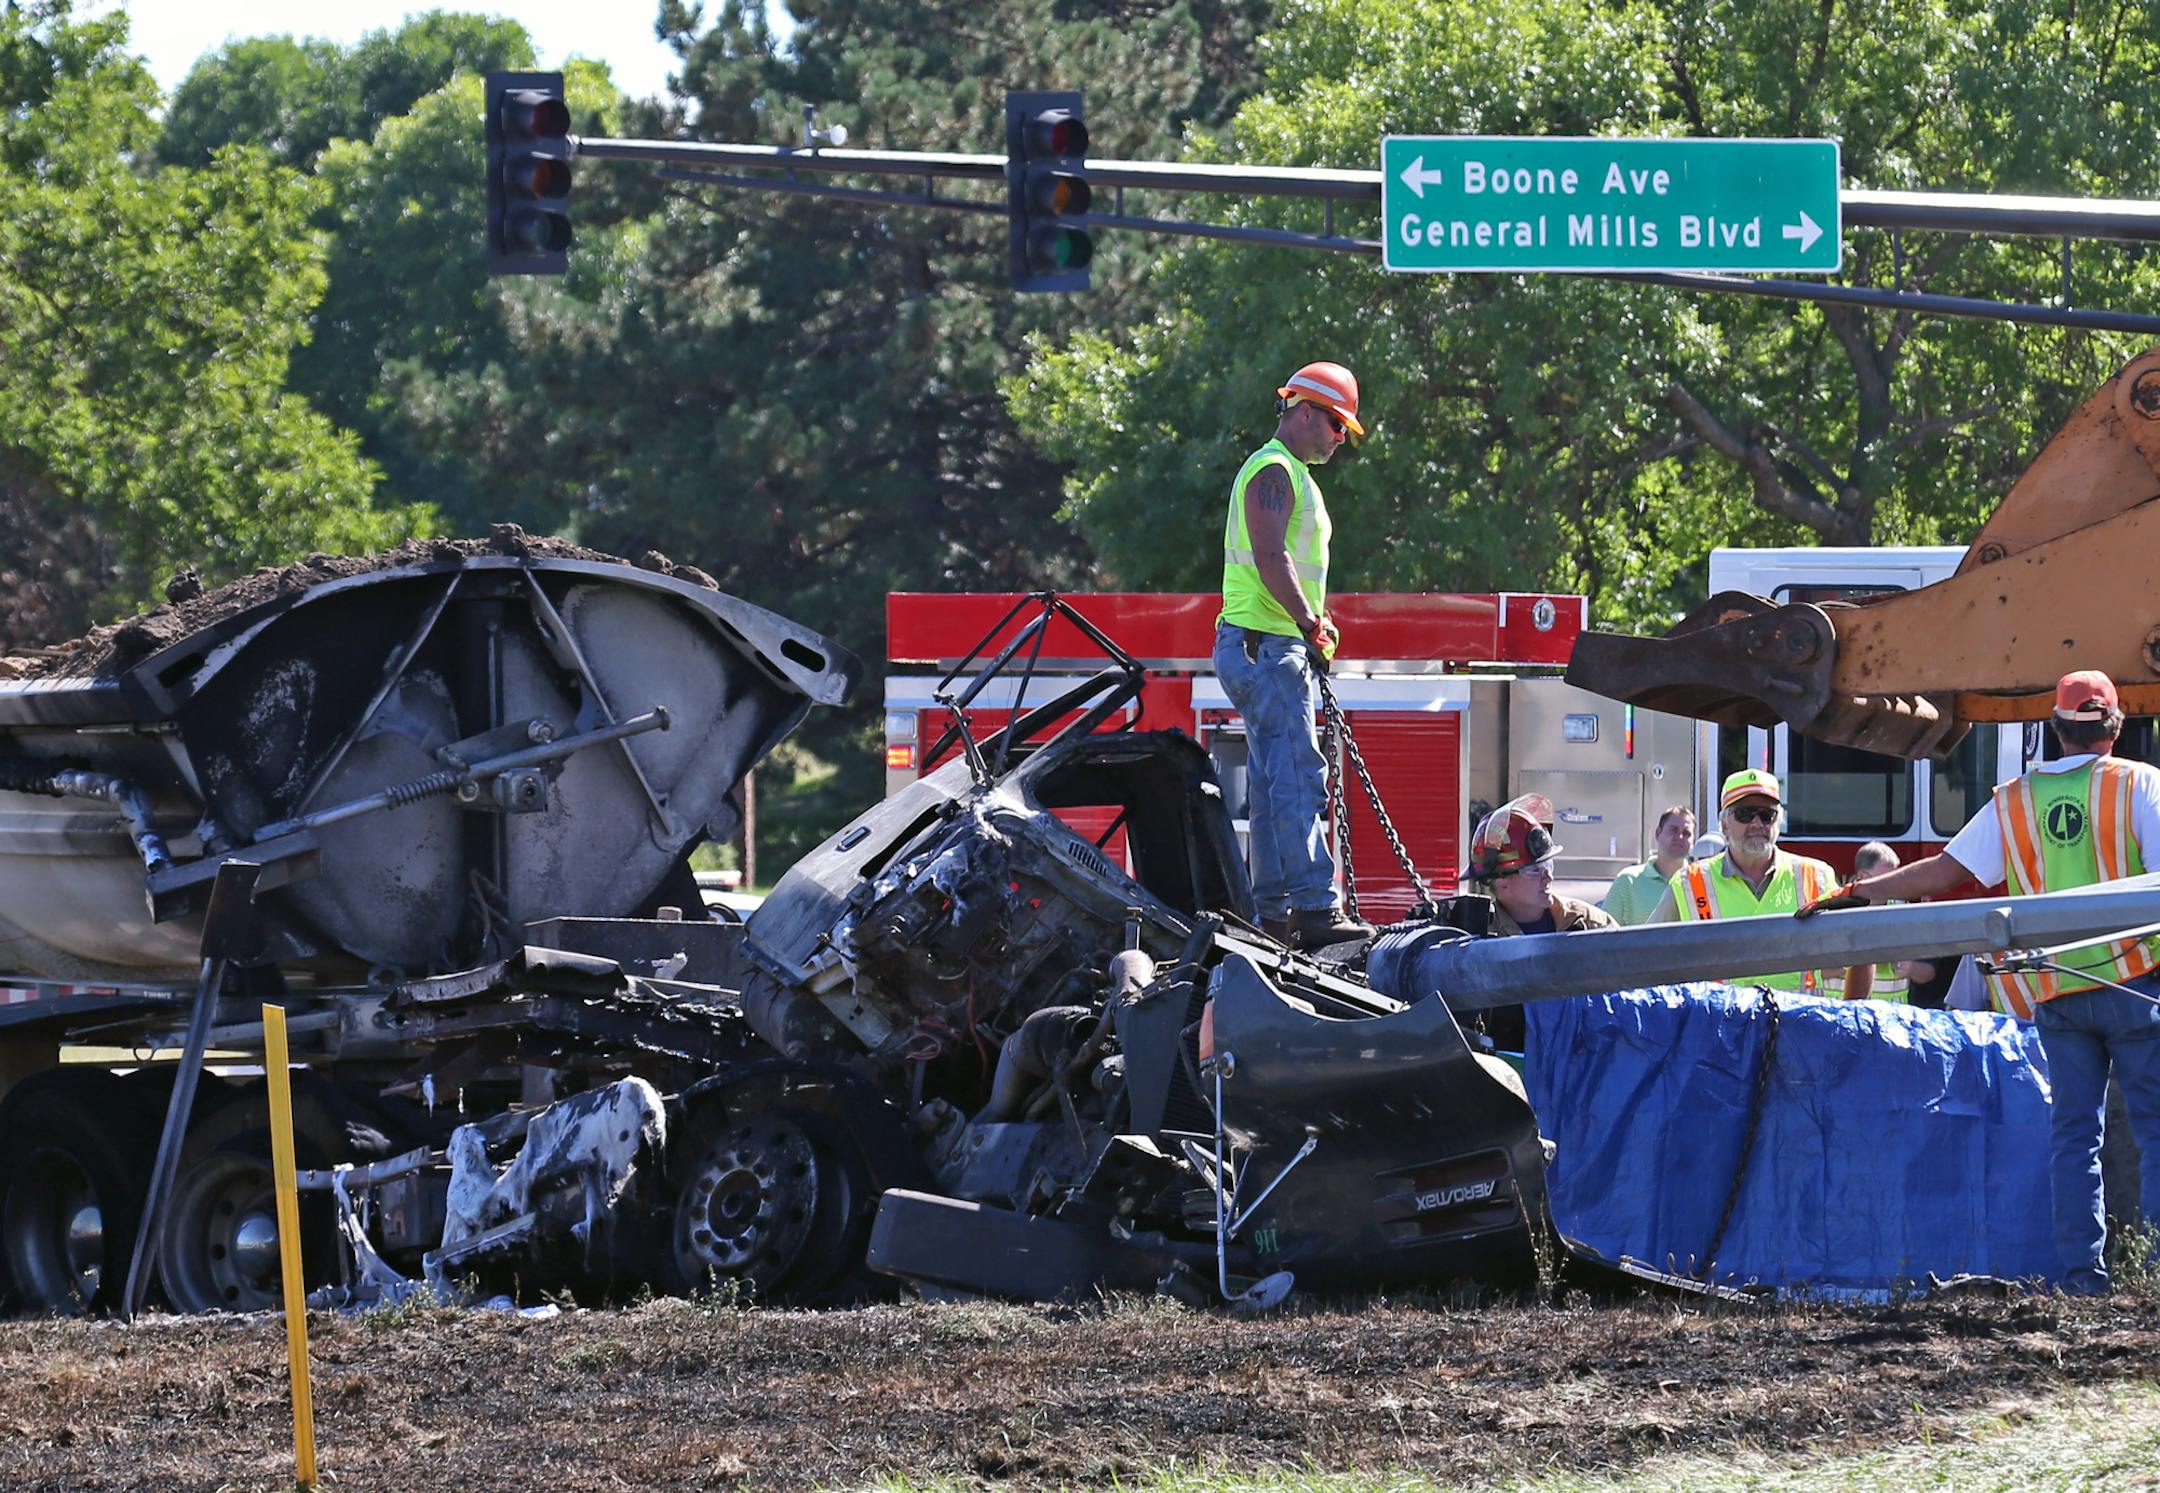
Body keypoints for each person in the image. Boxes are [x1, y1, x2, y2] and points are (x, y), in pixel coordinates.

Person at [1800, 669, 2160, 1293]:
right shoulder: (2142, 786)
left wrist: (1860, 891)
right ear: (2117, 725)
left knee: (2075, 1139)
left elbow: (1942, 872)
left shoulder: (2015, 800)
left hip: (2058, 991)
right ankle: (2154, 1277)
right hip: (2134, 984)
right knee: (2155, 1132)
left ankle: (2084, 1279)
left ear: (2054, 728)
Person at [1214, 360, 1370, 949]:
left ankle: (1276, 914)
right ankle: (1313, 906)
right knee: (1299, 774)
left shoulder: (1292, 475)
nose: (1338, 438)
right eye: (1334, 424)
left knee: (1274, 776)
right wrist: (1312, 624)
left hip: (1265, 643)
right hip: (1269, 643)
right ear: (1302, 409)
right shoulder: (1273, 470)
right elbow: (1271, 556)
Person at [1646, 769, 1841, 992]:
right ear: (1724, 825)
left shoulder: (1816, 876)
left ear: (1779, 823)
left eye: (1767, 815)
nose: (1757, 823)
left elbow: (1849, 951)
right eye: (1745, 814)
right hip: (1719, 1024)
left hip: (1798, 1022)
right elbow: (1647, 954)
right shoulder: (1688, 883)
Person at [1465, 795, 1618, 937]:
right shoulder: (1478, 937)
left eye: (1548, 865)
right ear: (1503, 884)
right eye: (1534, 871)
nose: (1548, 877)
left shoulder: (1591, 924)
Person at [1604, 805, 1695, 925]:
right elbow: (1604, 932)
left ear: (1693, 841)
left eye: (1686, 833)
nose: (1679, 837)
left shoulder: (1700, 882)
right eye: (1673, 830)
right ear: (1658, 833)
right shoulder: (1628, 881)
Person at [1839, 842, 1907, 1002]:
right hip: (1844, 1013)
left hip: (1890, 1016)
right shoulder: (1837, 911)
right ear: (1862, 877)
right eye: (1886, 879)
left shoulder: (1902, 911)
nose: (1894, 885)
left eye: (1895, 877)